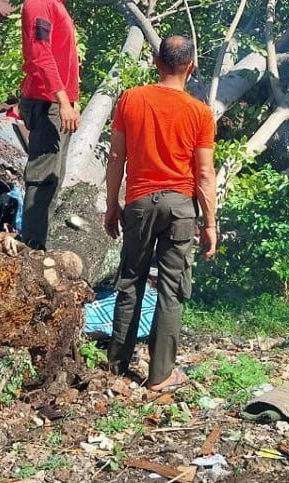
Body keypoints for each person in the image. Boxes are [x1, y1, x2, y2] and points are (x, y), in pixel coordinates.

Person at [104, 35, 217, 391]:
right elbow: (204, 173)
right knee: (172, 289)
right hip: (180, 207)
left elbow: (116, 157)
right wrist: (210, 224)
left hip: (139, 202)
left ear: (156, 62)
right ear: (191, 67)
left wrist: (112, 204)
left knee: (130, 281)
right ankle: (160, 374)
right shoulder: (200, 113)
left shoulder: (131, 99)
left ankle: (116, 366)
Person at [18, 0, 82, 250]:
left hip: (58, 103)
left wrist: (72, 101)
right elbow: (40, 55)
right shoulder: (40, 2)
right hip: (47, 103)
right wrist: (63, 101)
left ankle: (39, 242)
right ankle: (31, 246)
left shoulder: (55, 5)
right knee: (42, 176)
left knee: (54, 176)